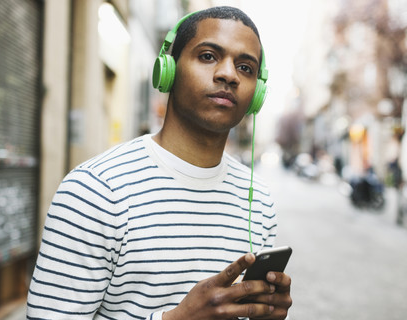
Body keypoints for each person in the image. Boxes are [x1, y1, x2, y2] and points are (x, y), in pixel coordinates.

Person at [27, 6, 292, 320]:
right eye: (208, 56)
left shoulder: (259, 200)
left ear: (257, 93)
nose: (228, 74)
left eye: (246, 67)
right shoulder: (94, 190)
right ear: (168, 70)